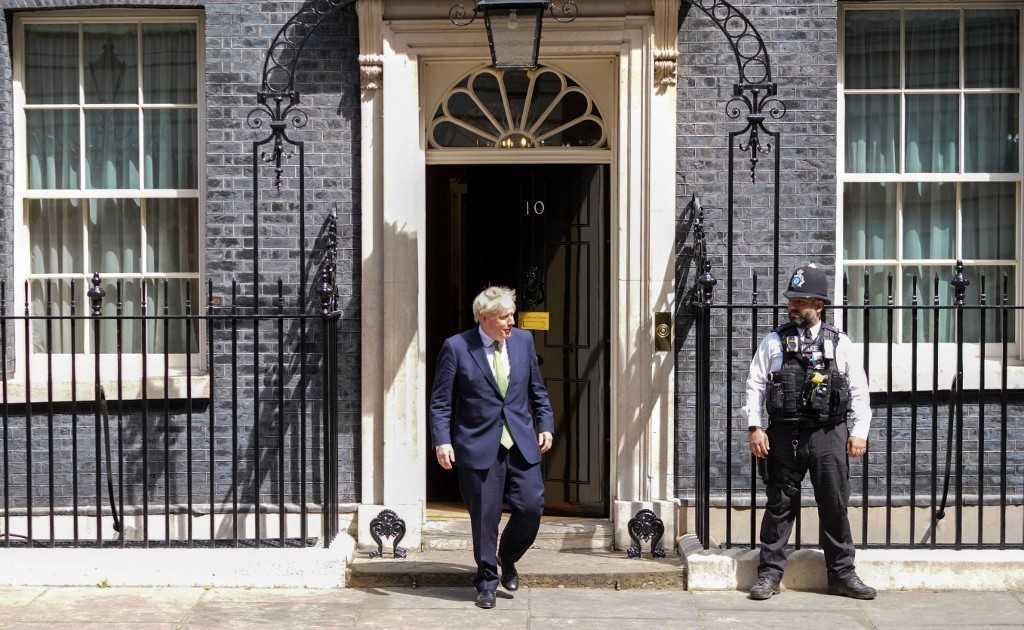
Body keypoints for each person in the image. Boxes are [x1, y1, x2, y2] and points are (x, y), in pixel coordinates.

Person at [743, 263, 877, 601]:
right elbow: (755, 385)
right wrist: (755, 427)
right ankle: (769, 575)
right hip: (784, 434)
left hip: (828, 433)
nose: (793, 306)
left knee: (834, 504)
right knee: (779, 505)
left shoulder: (840, 343)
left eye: (800, 301)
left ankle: (843, 575)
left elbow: (859, 389)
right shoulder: (773, 341)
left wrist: (859, 431)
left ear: (819, 304)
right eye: (792, 300)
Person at [429, 286, 555, 609]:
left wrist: (546, 425)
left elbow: (537, 390)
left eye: (512, 314)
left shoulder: (524, 342)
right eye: (504, 317)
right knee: (485, 518)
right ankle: (486, 580)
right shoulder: (457, 348)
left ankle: (507, 557)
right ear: (484, 318)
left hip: (521, 441)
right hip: (478, 445)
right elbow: (441, 402)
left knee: (531, 506)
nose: (511, 321)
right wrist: (442, 441)